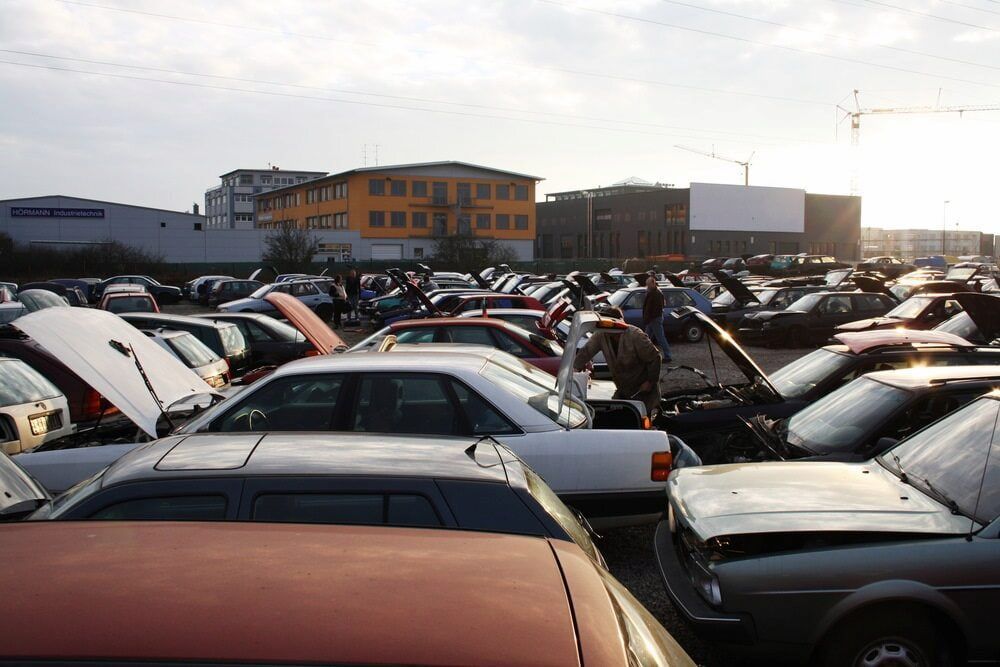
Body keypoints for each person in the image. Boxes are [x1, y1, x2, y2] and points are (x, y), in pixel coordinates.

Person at [573, 305, 662, 415]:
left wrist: (650, 381)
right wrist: (574, 368)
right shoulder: (601, 335)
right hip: (623, 390)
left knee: (643, 419)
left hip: (643, 391)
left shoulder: (635, 335)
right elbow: (586, 352)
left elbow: (655, 358)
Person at [642, 275, 671, 363]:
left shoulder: (657, 293)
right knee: (646, 338)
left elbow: (657, 308)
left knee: (659, 338)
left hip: (654, 319)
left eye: (648, 285)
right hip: (652, 319)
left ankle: (668, 356)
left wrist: (650, 318)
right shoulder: (652, 292)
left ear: (652, 283)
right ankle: (646, 355)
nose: (647, 286)